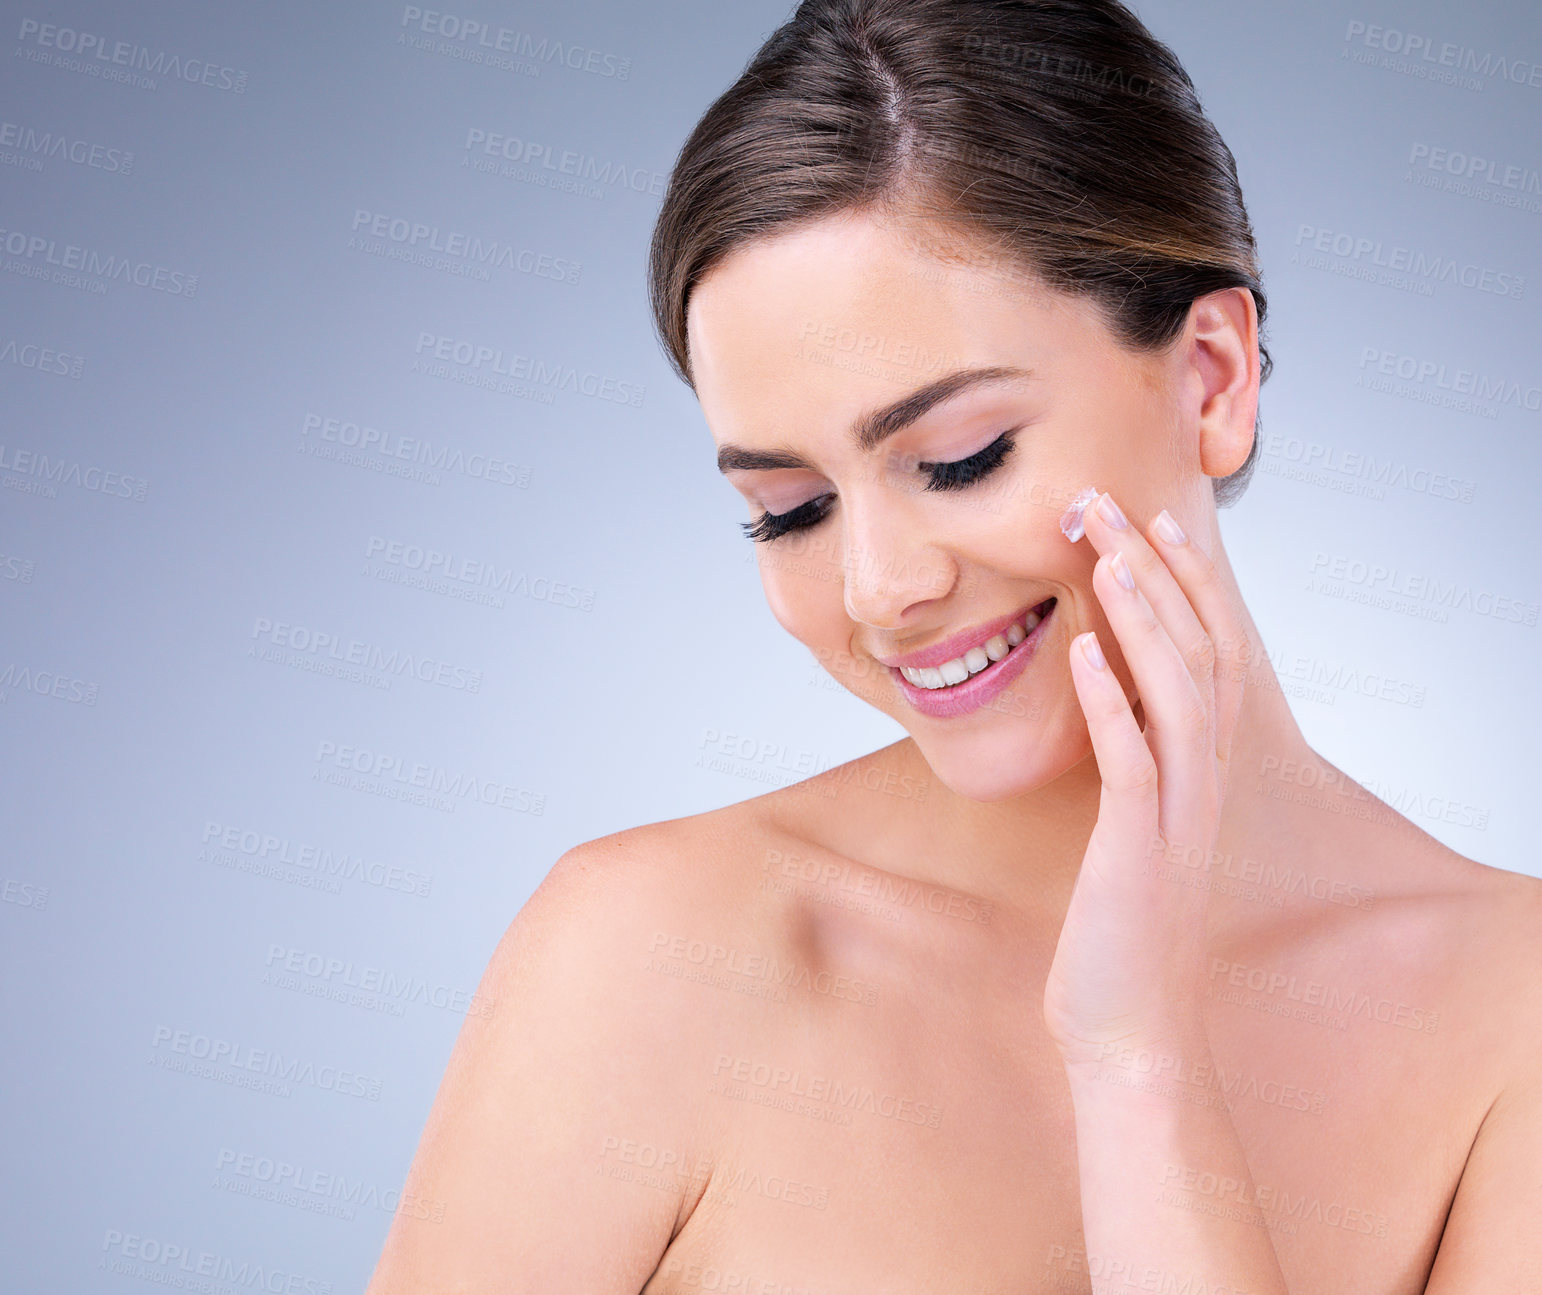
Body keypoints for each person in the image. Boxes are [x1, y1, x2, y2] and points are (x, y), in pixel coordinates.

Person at [366, 2, 1542, 1291]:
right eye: (788, 511)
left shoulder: (1511, 1017)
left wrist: (1138, 1061)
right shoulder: (646, 956)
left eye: (959, 457)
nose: (881, 589)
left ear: (1213, 376)